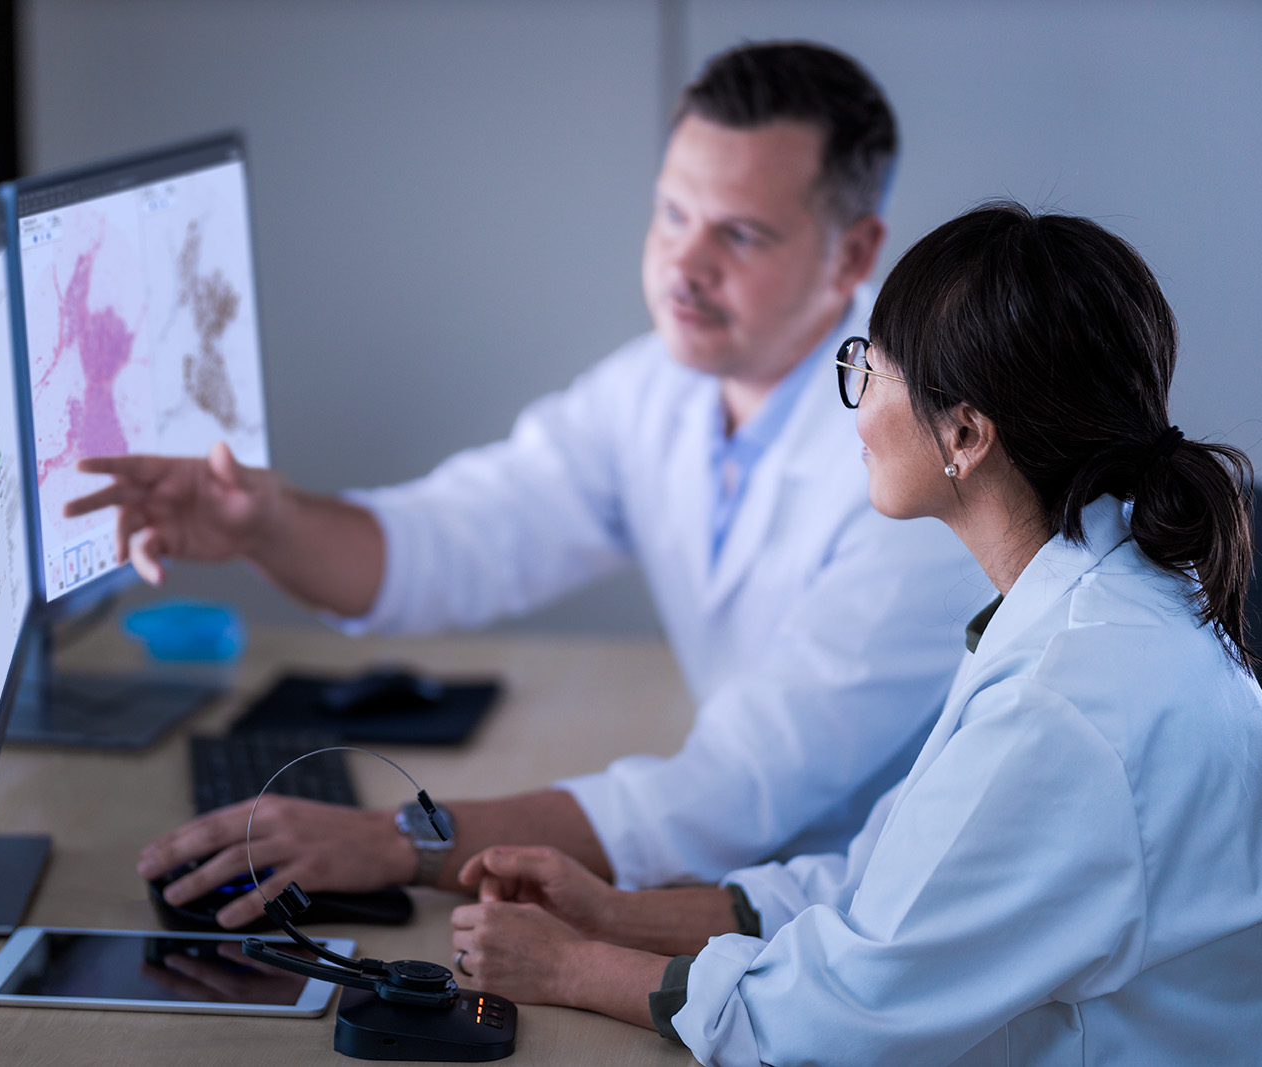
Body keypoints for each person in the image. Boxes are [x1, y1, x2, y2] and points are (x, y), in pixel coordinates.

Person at [69, 42, 989, 926]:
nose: (684, 266)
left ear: (855, 252)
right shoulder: (660, 390)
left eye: (740, 235)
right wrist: (265, 523)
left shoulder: (919, 466)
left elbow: (736, 785)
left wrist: (406, 840)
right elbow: (454, 539)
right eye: (672, 213)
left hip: (872, 909)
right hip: (735, 876)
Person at [446, 202, 1262, 1064]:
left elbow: (832, 1026)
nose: (853, 405)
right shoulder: (1082, 594)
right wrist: (609, 912)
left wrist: (569, 966)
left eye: (871, 367)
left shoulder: (1067, 699)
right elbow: (877, 887)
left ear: (966, 434)